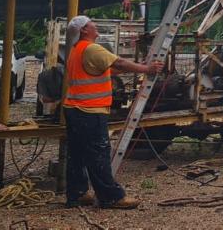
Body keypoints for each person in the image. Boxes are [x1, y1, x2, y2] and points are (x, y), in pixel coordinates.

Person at [63, 16, 163, 209]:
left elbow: (105, 69)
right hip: (90, 111)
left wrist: (140, 66)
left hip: (74, 109)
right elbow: (120, 64)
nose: (95, 25)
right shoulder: (92, 48)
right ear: (84, 30)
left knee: (77, 154)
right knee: (98, 154)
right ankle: (111, 197)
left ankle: (77, 193)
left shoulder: (77, 50)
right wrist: (147, 69)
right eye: (91, 23)